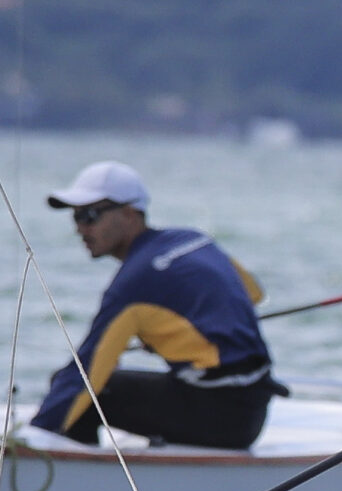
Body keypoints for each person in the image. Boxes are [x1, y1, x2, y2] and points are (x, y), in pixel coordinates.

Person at [28, 161, 286, 449]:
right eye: (75, 217)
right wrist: (177, 331)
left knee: (82, 392)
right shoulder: (194, 239)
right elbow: (253, 294)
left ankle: (76, 469)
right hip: (252, 406)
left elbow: (86, 373)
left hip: (223, 419)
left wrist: (35, 438)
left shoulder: (133, 284)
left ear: (129, 214)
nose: (80, 229)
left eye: (89, 216)